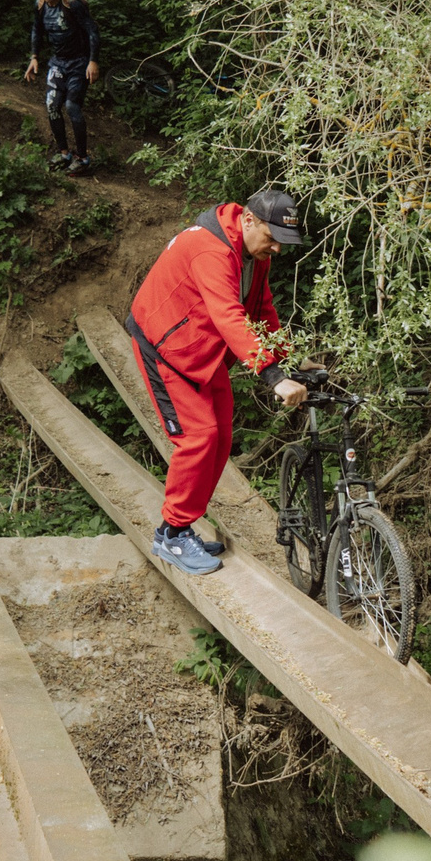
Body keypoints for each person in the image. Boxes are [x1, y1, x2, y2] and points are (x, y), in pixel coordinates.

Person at [123, 190, 310, 575]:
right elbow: (228, 315)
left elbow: (261, 310)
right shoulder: (210, 249)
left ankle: (182, 526)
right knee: (199, 438)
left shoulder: (251, 252)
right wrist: (273, 375)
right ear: (249, 220)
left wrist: (289, 359)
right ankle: (173, 534)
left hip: (198, 349)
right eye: (272, 237)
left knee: (221, 437)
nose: (276, 248)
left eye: (282, 241)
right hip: (164, 347)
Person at [23, 0, 100, 176]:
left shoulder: (71, 4)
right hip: (58, 63)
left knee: (72, 106)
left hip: (79, 62)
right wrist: (34, 57)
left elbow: (92, 30)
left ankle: (82, 158)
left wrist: (93, 61)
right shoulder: (39, 6)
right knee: (52, 106)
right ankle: (64, 153)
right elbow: (37, 30)